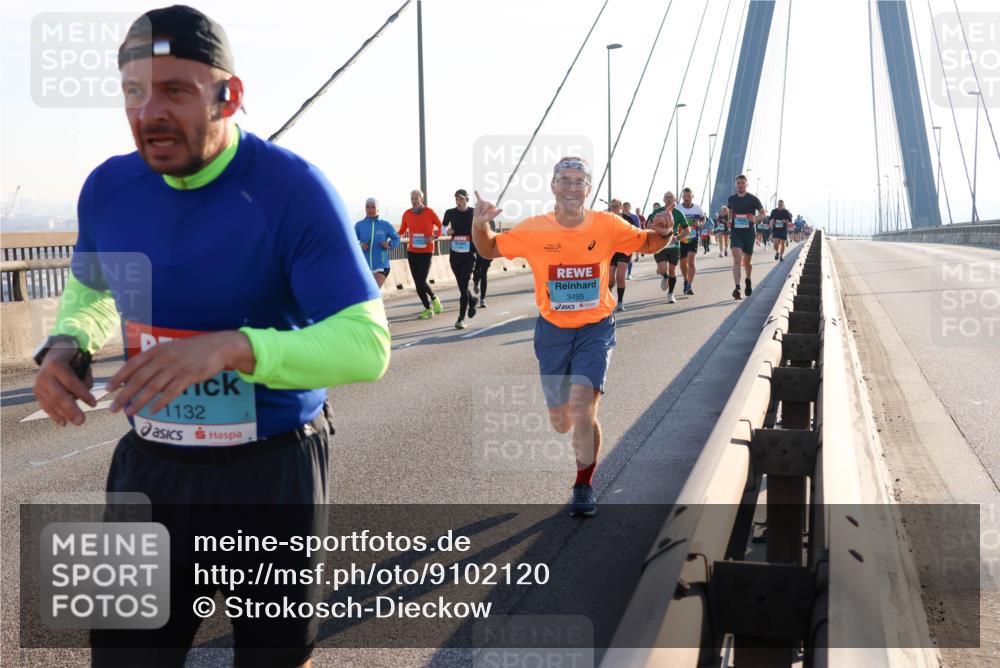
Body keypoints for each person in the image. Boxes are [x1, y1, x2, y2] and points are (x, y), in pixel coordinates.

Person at [30, 7, 391, 667]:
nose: (149, 112)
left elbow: (366, 344)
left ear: (231, 95)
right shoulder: (109, 188)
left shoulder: (292, 190)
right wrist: (68, 343)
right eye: (134, 92)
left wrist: (234, 348)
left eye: (175, 90)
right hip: (152, 470)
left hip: (271, 472)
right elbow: (93, 289)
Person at [471, 157, 673, 517]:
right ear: (552, 185)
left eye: (579, 181)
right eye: (564, 179)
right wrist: (479, 224)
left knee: (583, 410)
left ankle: (583, 484)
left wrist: (665, 231)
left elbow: (648, 242)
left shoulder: (607, 225)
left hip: (595, 328)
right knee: (560, 420)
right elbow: (488, 249)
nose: (571, 186)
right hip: (552, 333)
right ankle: (568, 433)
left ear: (588, 189)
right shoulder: (534, 229)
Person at [399, 189, 443, 319]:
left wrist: (434, 236)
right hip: (412, 252)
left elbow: (442, 227)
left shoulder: (430, 212)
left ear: (421, 199)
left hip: (426, 251)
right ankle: (428, 309)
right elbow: (401, 230)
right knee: (417, 283)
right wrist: (391, 239)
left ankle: (434, 298)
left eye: (416, 198)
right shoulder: (407, 214)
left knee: (421, 280)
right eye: (412, 198)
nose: (413, 201)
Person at [727, 174, 767, 300]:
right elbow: (730, 211)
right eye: (738, 183)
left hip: (749, 233)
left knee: (747, 262)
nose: (740, 185)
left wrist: (755, 219)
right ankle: (737, 287)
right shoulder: (732, 199)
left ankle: (748, 280)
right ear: (735, 184)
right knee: (737, 258)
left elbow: (763, 214)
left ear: (746, 185)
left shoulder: (753, 199)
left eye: (742, 183)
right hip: (735, 232)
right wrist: (729, 221)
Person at [443, 189, 477, 329]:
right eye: (457, 199)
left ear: (467, 200)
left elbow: (484, 226)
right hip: (455, 255)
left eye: (461, 199)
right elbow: (442, 228)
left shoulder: (473, 212)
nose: (459, 201)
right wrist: (447, 231)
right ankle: (472, 299)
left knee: (463, 287)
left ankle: (461, 319)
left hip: (469, 255)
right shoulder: (450, 212)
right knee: (462, 285)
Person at [648, 191, 688, 304]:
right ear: (663, 199)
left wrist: (678, 238)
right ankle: (664, 276)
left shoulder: (679, 213)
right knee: (662, 269)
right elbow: (648, 225)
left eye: (671, 197)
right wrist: (656, 228)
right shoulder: (657, 211)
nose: (669, 199)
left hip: (674, 245)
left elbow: (687, 229)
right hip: (659, 244)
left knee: (672, 270)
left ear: (674, 200)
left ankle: (671, 294)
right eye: (667, 197)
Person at [355, 197, 400, 288]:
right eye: (367, 207)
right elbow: (352, 242)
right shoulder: (359, 225)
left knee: (374, 289)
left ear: (378, 209)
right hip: (365, 266)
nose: (370, 209)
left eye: (373, 207)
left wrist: (389, 245)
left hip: (381, 266)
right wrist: (361, 246)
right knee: (368, 294)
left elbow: (396, 238)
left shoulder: (385, 225)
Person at [675, 187, 705, 296]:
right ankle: (685, 280)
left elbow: (703, 218)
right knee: (683, 263)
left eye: (689, 196)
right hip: (682, 239)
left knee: (691, 262)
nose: (687, 198)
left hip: (693, 238)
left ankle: (689, 285)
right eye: (685, 197)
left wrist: (700, 224)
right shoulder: (678, 208)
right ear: (682, 197)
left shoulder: (697, 208)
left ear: (692, 197)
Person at [608, 199, 632, 310]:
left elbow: (636, 233)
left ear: (621, 207)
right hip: (611, 252)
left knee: (620, 277)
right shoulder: (606, 219)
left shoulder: (627, 219)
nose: (614, 208)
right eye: (612, 206)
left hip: (624, 251)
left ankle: (620, 302)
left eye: (616, 206)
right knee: (610, 280)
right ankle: (608, 302)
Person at [621, 201, 642, 281]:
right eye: (624, 207)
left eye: (627, 207)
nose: (625, 208)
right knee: (620, 258)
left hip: (630, 239)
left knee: (628, 257)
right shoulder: (620, 216)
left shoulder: (634, 217)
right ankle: (621, 273)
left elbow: (638, 227)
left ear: (630, 208)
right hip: (621, 240)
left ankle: (629, 273)